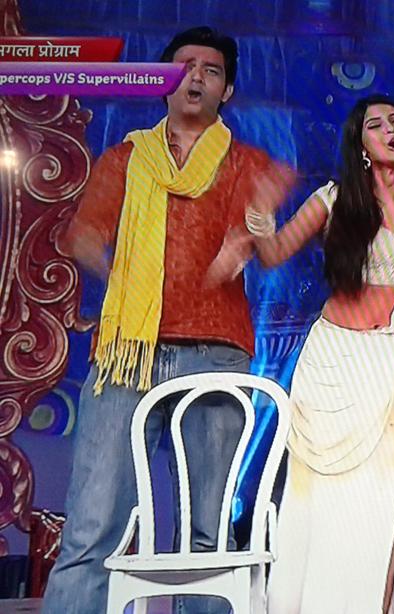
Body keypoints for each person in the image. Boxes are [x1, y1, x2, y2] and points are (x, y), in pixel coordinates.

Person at [45, 26, 294, 614]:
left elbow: (255, 239)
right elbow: (83, 235)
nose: (197, 77)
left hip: (216, 353)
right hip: (127, 355)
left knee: (209, 532)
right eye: (185, 66)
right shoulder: (124, 159)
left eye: (212, 69)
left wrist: (244, 243)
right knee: (92, 528)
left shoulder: (247, 162)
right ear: (163, 79)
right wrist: (112, 264)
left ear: (226, 90)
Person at [241, 95, 394, 613]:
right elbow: (274, 253)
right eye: (376, 124)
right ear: (361, 146)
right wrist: (259, 213)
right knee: (325, 507)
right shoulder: (334, 200)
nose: (391, 129)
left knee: (386, 504)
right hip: (335, 367)